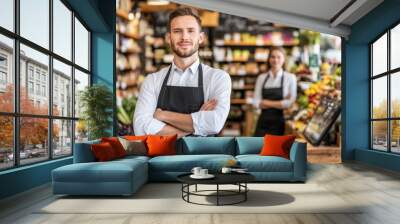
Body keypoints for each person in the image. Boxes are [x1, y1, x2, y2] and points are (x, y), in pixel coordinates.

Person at [134, 7, 231, 137]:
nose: (184, 37)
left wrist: (163, 115)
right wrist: (195, 125)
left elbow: (214, 123)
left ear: (201, 37)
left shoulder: (218, 78)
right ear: (169, 38)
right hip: (162, 156)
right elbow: (141, 127)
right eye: (177, 31)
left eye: (191, 31)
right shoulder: (152, 80)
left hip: (202, 156)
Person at [253, 47, 297, 136]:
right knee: (258, 148)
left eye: (279, 57)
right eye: (272, 57)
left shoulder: (290, 78)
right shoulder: (261, 78)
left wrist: (265, 102)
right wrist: (280, 103)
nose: (275, 60)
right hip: (262, 122)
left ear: (284, 59)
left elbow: (289, 102)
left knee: (275, 149)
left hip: (279, 123)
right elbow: (256, 102)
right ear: (269, 59)